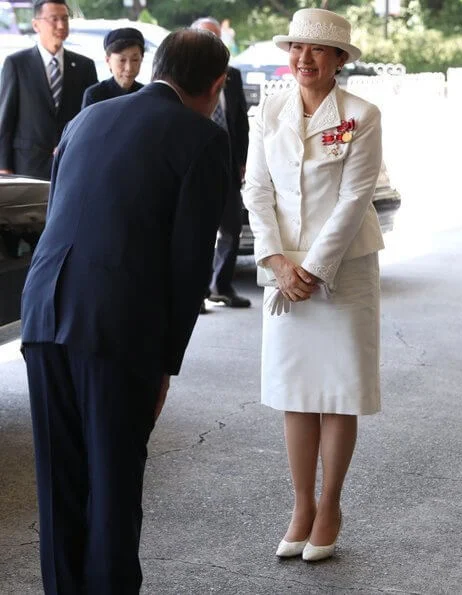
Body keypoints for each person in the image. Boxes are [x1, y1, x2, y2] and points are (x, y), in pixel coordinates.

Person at [21, 29, 230, 594]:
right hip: (116, 324)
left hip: (42, 309)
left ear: (157, 65)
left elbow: (60, 205)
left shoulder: (87, 117)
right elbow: (189, 265)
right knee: (112, 484)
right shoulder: (202, 138)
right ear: (216, 86)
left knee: (60, 482)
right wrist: (166, 364)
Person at [243, 8, 384, 562]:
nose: (303, 59)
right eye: (296, 48)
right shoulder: (268, 110)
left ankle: (331, 505)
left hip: (343, 269)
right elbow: (256, 190)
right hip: (284, 271)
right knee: (294, 393)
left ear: (340, 60)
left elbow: (354, 200)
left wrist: (313, 268)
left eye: (318, 50)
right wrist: (277, 262)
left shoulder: (362, 114)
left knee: (337, 391)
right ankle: (301, 505)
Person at [0, 0, 97, 180]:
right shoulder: (17, 64)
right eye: (54, 19)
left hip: (71, 163)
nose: (61, 25)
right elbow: (5, 119)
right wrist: (4, 166)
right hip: (27, 165)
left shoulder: (85, 66)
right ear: (36, 25)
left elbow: (90, 118)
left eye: (65, 19)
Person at [192, 17, 251, 310]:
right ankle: (197, 291)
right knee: (198, 229)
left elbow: (240, 120)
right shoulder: (187, 76)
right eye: (206, 38)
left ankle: (222, 286)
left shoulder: (233, 75)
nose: (213, 45)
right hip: (196, 162)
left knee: (232, 226)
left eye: (217, 39)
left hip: (228, 161)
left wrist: (242, 160)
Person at [82, 27, 145, 108]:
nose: (129, 68)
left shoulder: (145, 94)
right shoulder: (95, 95)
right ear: (108, 61)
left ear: (142, 59)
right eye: (122, 60)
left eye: (135, 60)